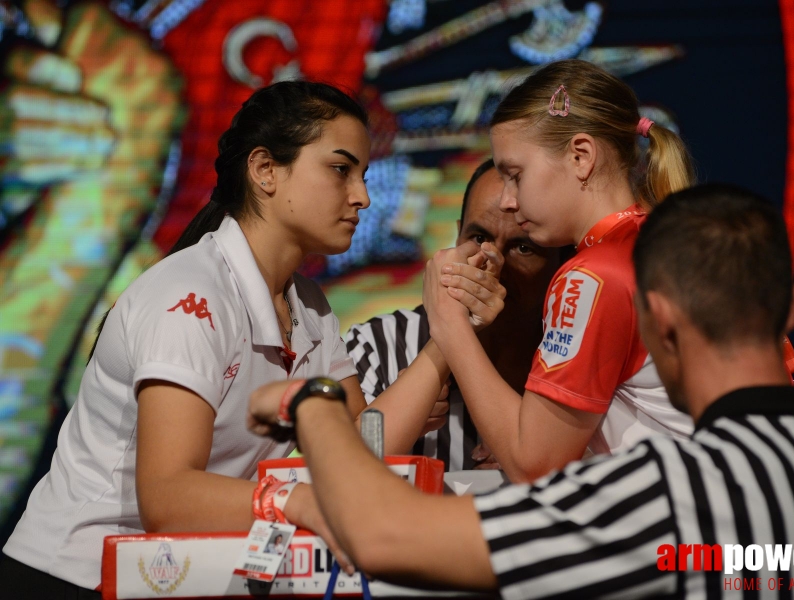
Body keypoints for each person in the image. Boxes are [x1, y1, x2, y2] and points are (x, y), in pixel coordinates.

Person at [247, 183, 794, 597]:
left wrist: (315, 403)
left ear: (653, 323)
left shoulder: (665, 492)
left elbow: (385, 537)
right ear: (790, 310)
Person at [0, 80, 501, 597]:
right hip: (72, 577)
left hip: (173, 576)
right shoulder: (189, 297)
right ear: (264, 170)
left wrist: (447, 335)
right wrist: (299, 503)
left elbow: (359, 452)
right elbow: (169, 498)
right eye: (340, 169)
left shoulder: (308, 304)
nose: (363, 196)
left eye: (363, 175)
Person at [423, 59, 695, 482]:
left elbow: (534, 465)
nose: (509, 202)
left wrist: (449, 326)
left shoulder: (590, 276)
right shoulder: (677, 239)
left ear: (580, 156)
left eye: (515, 175)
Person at [346, 158, 563, 471]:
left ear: (562, 262)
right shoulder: (378, 346)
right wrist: (448, 331)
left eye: (523, 248)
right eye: (478, 238)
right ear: (457, 235)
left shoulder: (573, 353)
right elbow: (340, 470)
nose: (494, 264)